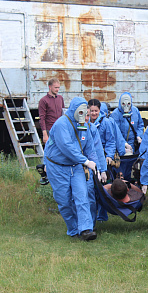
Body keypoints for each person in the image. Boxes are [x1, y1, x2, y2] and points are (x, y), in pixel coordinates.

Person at [44, 97, 98, 241]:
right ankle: (73, 229)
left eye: (85, 113)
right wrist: (86, 161)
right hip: (57, 167)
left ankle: (86, 229)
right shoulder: (62, 124)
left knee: (82, 196)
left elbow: (90, 148)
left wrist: (97, 166)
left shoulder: (84, 126)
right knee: (64, 201)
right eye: (81, 112)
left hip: (75, 167)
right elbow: (67, 148)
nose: (84, 116)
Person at [38, 78, 65, 144]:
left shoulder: (60, 98)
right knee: (50, 151)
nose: (57, 89)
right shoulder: (43, 100)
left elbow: (63, 114)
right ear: (50, 87)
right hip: (49, 130)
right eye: (55, 87)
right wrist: (44, 134)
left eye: (58, 87)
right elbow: (42, 118)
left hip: (59, 129)